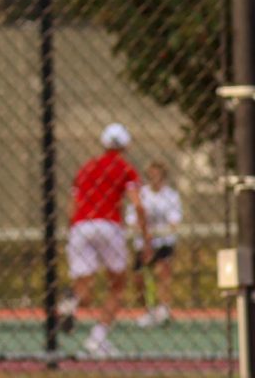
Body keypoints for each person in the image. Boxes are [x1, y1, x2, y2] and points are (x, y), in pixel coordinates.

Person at [58, 122, 152, 356]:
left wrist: (73, 233)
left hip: (80, 226)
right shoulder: (125, 168)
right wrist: (146, 236)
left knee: (83, 287)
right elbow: (138, 204)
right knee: (118, 285)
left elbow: (72, 206)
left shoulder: (85, 168)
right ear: (126, 145)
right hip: (109, 224)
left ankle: (71, 301)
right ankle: (97, 340)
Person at [126, 160, 182, 327]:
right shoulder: (141, 194)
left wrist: (158, 230)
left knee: (163, 272)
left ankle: (163, 309)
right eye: (151, 173)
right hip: (143, 242)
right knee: (140, 278)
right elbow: (131, 219)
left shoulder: (171, 195)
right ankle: (149, 311)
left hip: (163, 241)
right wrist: (144, 231)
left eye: (157, 173)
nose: (154, 177)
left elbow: (174, 221)